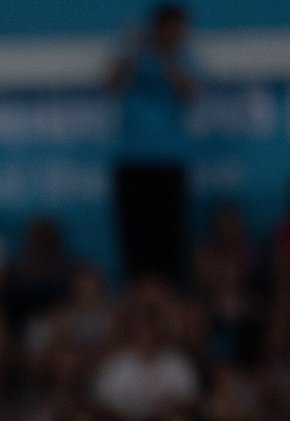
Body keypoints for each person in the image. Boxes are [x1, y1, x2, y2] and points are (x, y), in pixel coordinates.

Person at [106, 4, 199, 285]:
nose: (177, 35)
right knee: (136, 242)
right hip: (132, 160)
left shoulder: (183, 60)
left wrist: (165, 57)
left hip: (169, 162)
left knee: (170, 243)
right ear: (159, 28)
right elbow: (111, 84)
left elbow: (188, 92)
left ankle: (168, 306)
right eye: (172, 30)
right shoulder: (135, 56)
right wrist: (137, 49)